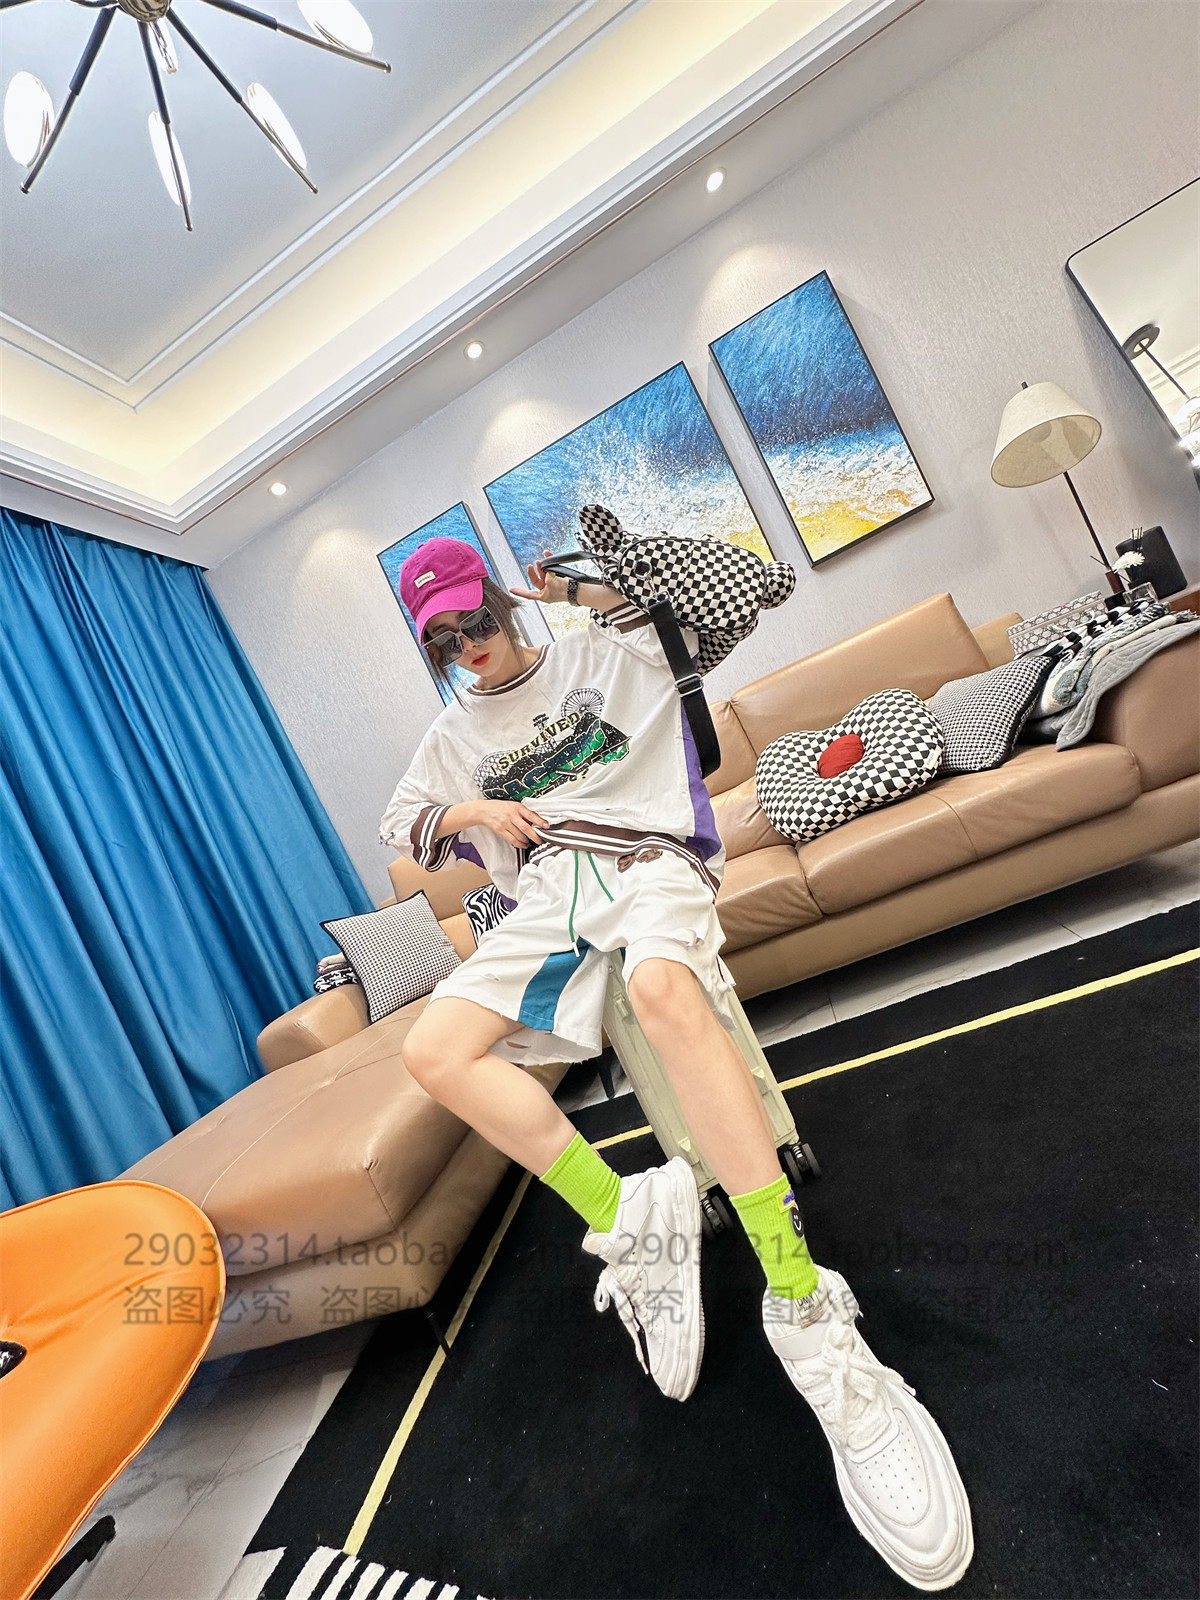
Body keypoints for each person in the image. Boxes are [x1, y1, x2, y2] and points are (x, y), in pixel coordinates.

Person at [381, 535, 973, 1592]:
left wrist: (580, 584)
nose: (469, 646)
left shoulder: (610, 647)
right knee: (433, 1050)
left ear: (504, 603)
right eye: (444, 639)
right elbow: (403, 826)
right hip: (549, 894)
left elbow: (756, 585)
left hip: (649, 860)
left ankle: (805, 1304)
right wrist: (471, 810)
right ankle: (629, 1219)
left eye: (476, 619)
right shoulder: (448, 736)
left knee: (660, 989)